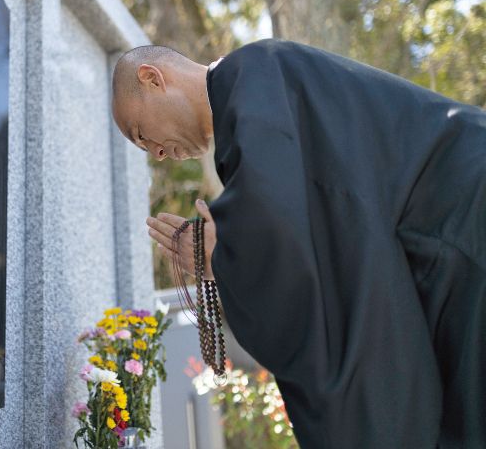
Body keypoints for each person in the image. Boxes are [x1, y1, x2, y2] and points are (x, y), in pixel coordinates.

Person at [111, 38, 486, 448]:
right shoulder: (249, 100)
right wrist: (229, 255)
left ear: (152, 79)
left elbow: (280, 224)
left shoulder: (253, 72)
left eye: (142, 135)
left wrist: (226, 255)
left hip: (463, 220)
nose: (158, 153)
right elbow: (327, 230)